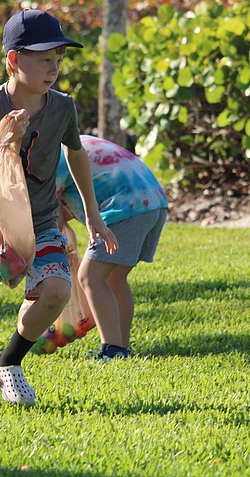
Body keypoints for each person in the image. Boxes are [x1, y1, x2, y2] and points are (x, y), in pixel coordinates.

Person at [0, 10, 118, 412]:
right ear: (14, 60)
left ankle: (7, 362)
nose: (54, 68)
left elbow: (77, 154)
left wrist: (93, 213)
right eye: (44, 58)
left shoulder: (63, 108)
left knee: (56, 291)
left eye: (58, 59)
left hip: (43, 222)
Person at [55, 135, 168, 360]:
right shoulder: (70, 144)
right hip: (154, 202)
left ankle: (112, 349)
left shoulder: (50, 158)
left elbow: (53, 214)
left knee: (90, 276)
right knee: (114, 279)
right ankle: (120, 348)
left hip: (125, 207)